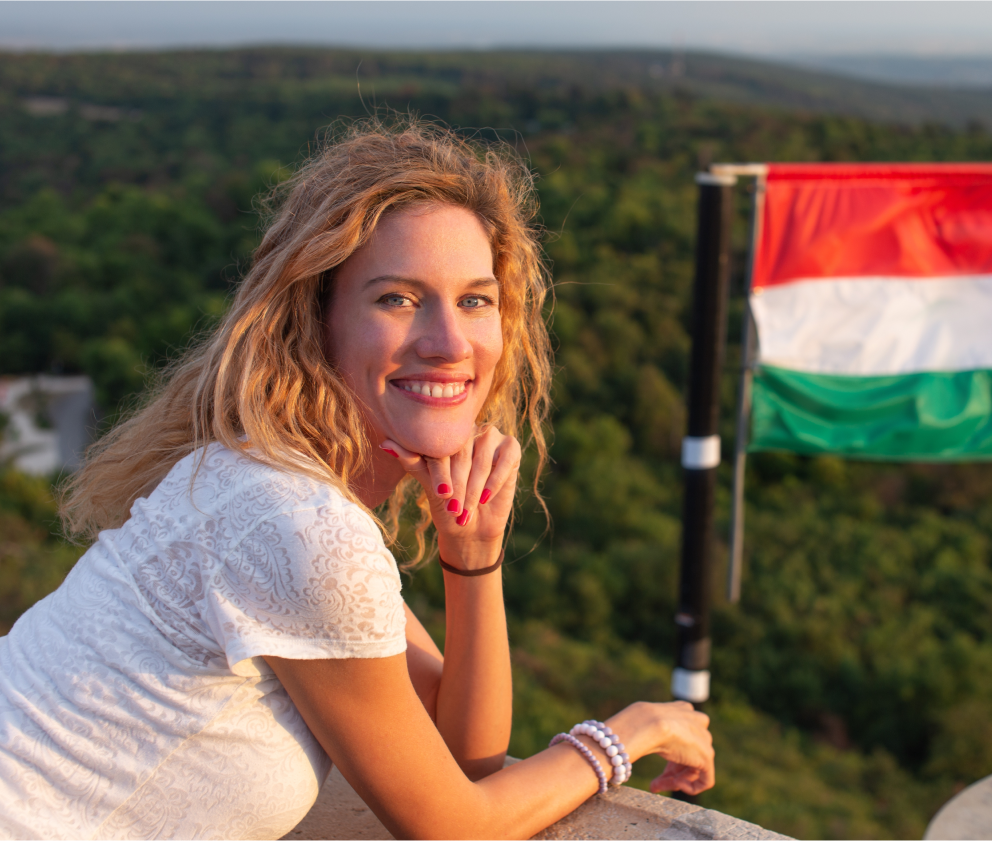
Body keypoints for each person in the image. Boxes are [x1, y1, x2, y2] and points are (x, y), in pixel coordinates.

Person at [0, 120, 715, 840]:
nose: (448, 342)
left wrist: (473, 559)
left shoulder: (272, 481)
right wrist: (629, 731)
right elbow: (456, 825)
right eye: (398, 299)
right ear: (316, 323)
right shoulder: (296, 524)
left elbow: (464, 754)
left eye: (474, 299)